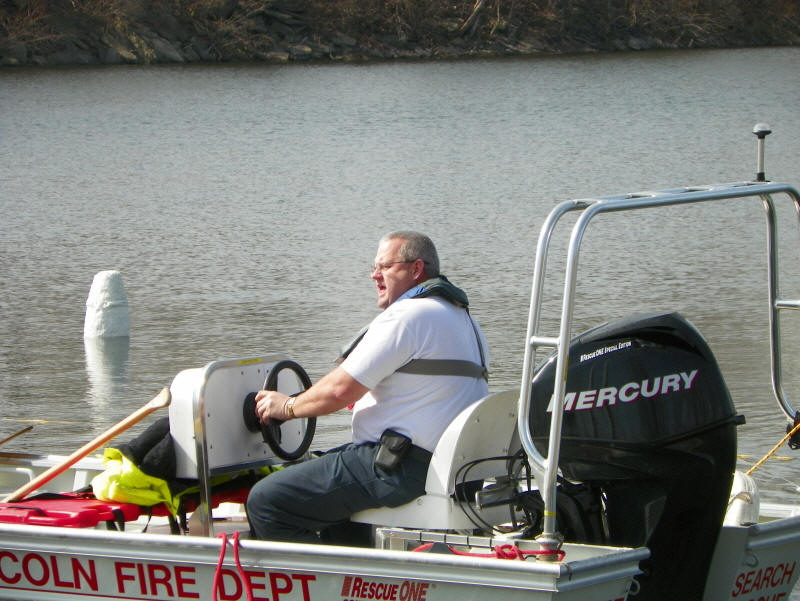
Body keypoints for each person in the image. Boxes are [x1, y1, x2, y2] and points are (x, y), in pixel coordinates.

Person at [246, 231, 489, 543]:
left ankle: (325, 575)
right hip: (453, 468)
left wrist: (287, 407)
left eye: (384, 267)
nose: (375, 275)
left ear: (416, 269)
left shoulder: (408, 315)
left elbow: (339, 390)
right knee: (331, 486)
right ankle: (355, 569)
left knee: (267, 500)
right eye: (374, 267)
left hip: (401, 469)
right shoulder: (466, 322)